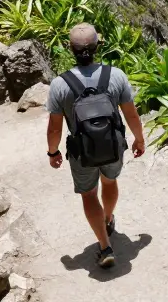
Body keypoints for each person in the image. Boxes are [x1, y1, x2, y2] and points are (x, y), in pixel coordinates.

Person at [45, 23, 146, 268]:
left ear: (70, 48)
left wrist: (53, 152)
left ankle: (104, 246)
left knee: (89, 194)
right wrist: (139, 139)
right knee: (109, 182)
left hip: (81, 152)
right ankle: (108, 218)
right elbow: (131, 115)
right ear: (97, 47)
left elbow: (55, 128)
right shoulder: (116, 75)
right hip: (113, 146)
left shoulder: (60, 84)